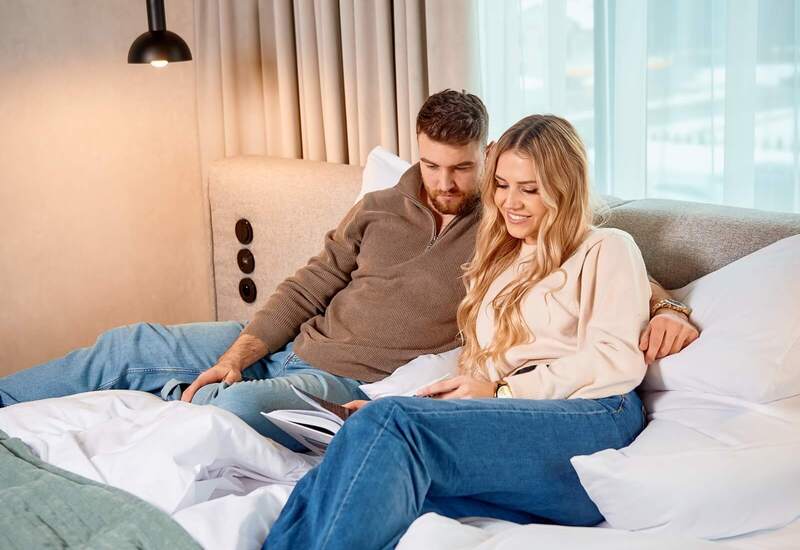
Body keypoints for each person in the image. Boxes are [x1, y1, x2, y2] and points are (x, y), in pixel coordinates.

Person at [0, 92, 696, 451]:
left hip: (349, 377)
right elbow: (310, 283)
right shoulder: (379, 205)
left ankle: (186, 396)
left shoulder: (507, 224)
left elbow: (593, 254)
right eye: (430, 164)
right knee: (126, 346)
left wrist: (668, 308)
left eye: (462, 168)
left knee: (224, 412)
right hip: (285, 343)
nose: (445, 183)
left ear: (485, 157)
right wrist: (243, 351)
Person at [264, 115, 656, 549]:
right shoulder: (501, 261)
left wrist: (503, 392)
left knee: (390, 423)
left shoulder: (606, 247)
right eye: (502, 185)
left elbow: (616, 359)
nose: (510, 202)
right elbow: (481, 375)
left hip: (590, 420)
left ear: (565, 189)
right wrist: (420, 404)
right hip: (511, 425)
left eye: (529, 189)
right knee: (352, 452)